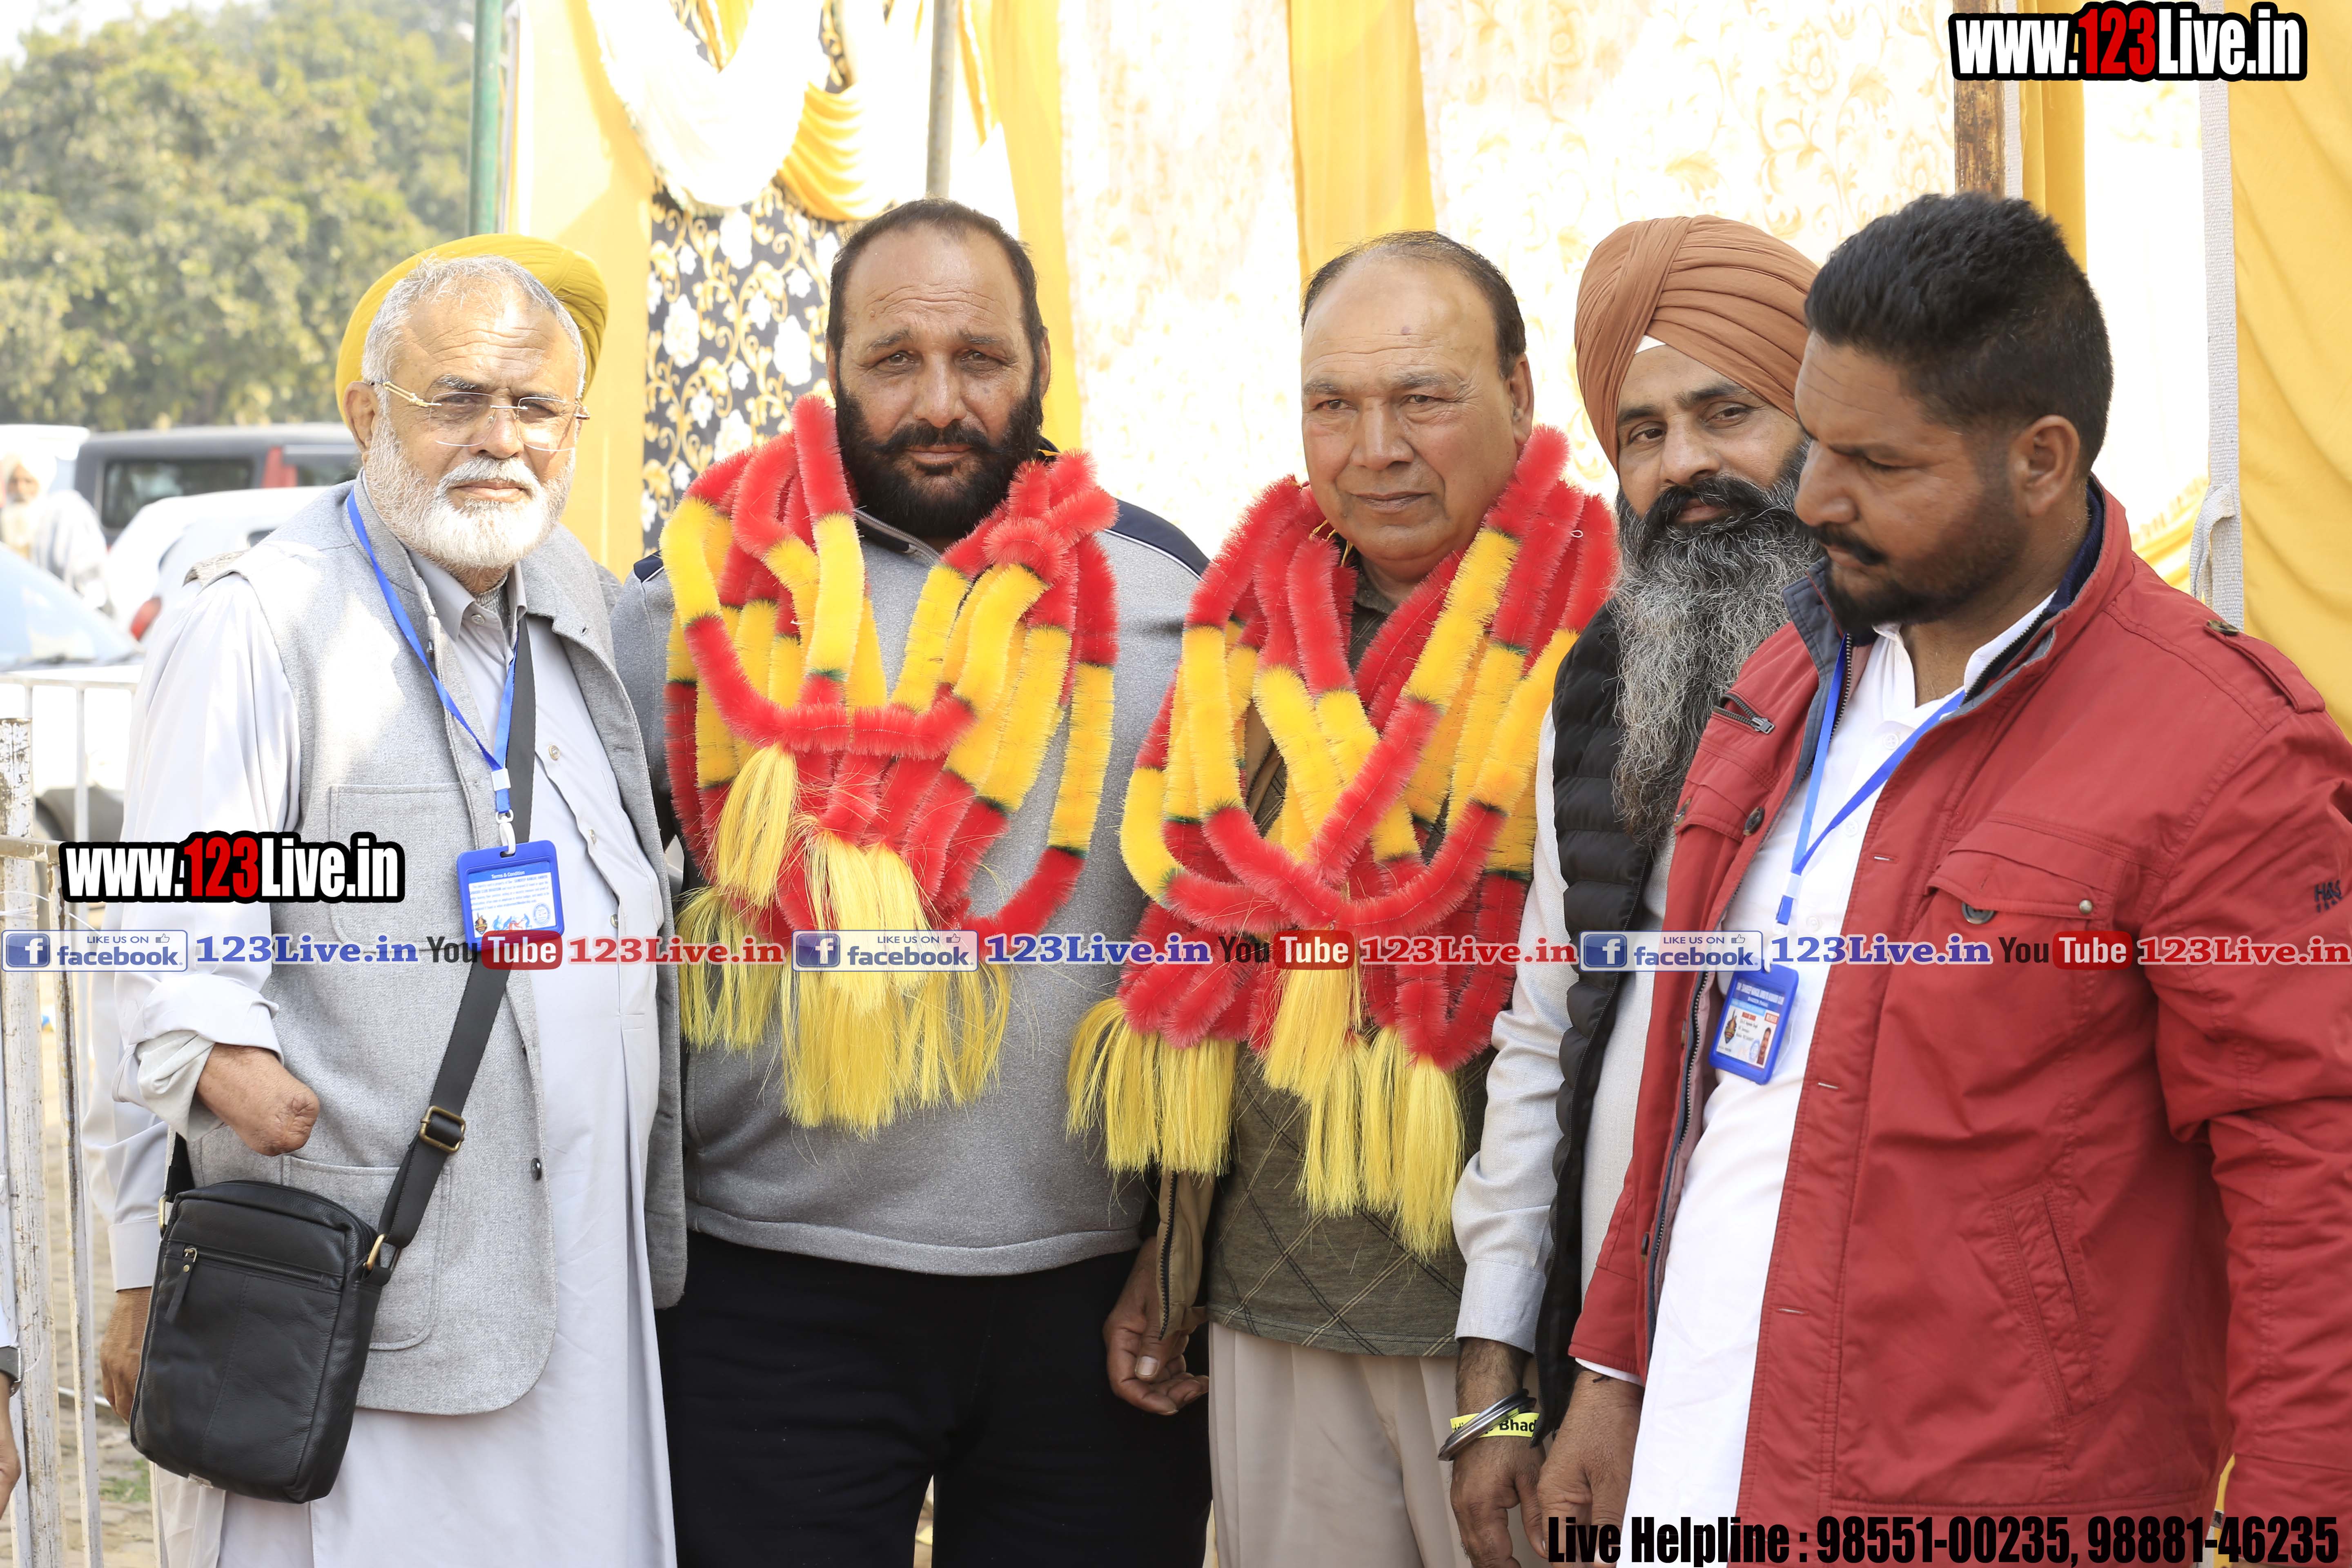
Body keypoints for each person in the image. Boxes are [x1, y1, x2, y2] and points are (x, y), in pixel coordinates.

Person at [1543, 193, 2352, 1529]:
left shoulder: (2225, 747)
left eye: (1880, 463)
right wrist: (1612, 1371)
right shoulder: (1786, 673)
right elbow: (1699, 1080)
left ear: (2040, 461)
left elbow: (2313, 1194)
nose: (1820, 499)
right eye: (1822, 446)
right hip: (1698, 1476)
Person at [614, 197, 1212, 1568]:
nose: (940, 402)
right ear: (833, 367)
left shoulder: (1168, 594)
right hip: (767, 1299)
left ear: (1040, 364)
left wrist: (1181, 1255)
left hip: (1093, 1308)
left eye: (980, 358)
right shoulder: (683, 598)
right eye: (895, 360)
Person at [106, 240, 682, 1566]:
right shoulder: (263, 625)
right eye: (456, 399)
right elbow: (163, 947)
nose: (500, 439)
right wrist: (148, 1240)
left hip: (582, 1296)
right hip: (365, 1311)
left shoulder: (578, 605)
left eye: (536, 407)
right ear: (369, 414)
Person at [1074, 231, 1611, 1568]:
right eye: (1334, 403)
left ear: (1520, 398)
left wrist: (1566, 1369)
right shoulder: (1244, 631)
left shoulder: (1614, 632)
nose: (1376, 448)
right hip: (1269, 1304)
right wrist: (1170, 1258)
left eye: (1423, 397)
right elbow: (1210, 964)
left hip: (1515, 1337)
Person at [1448, 215, 1822, 1562]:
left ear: (1827, 421)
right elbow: (1545, 1027)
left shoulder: (1917, 681)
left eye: (1729, 414)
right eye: (1645, 432)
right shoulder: (1605, 678)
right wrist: (1498, 1369)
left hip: (1834, 1365)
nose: (1685, 467)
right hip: (1612, 1364)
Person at [0, 447, 110, 615]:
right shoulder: (5, 522)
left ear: (40, 484)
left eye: (28, 482)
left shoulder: (61, 518)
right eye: (14, 482)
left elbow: (87, 577)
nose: (21, 489)